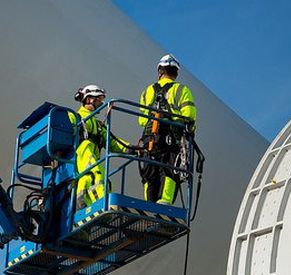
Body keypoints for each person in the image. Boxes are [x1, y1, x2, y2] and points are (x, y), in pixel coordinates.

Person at [138, 53, 197, 205]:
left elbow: (142, 120)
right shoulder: (181, 90)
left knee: (149, 172)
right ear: (176, 73)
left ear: (160, 71)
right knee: (170, 170)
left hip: (149, 139)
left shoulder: (147, 91)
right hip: (171, 139)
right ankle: (164, 203)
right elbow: (189, 117)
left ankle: (148, 205)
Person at [72, 85, 132, 208]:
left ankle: (94, 204)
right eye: (99, 99)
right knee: (94, 175)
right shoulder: (76, 117)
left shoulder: (98, 125)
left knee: (103, 179)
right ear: (89, 99)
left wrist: (133, 149)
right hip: (83, 153)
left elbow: (113, 143)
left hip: (93, 157)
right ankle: (100, 204)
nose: (101, 103)